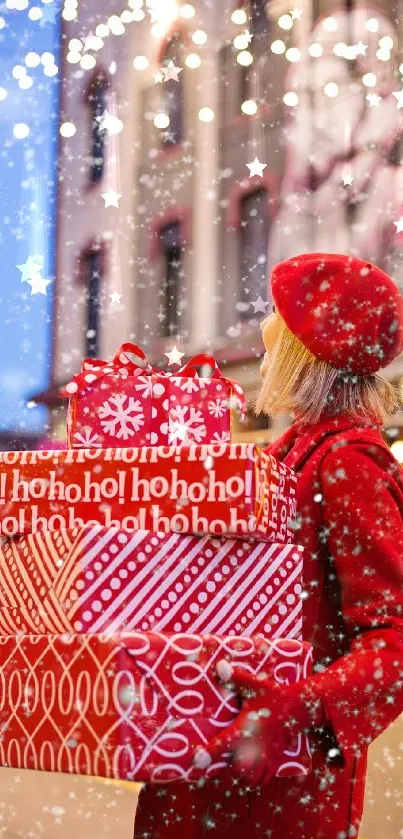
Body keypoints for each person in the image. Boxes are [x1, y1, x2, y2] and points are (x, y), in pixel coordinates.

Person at [133, 252, 403, 839]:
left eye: (278, 316)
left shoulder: (348, 461)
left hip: (274, 785)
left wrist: (301, 706)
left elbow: (394, 641)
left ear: (312, 348)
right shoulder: (290, 454)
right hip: (214, 759)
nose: (264, 329)